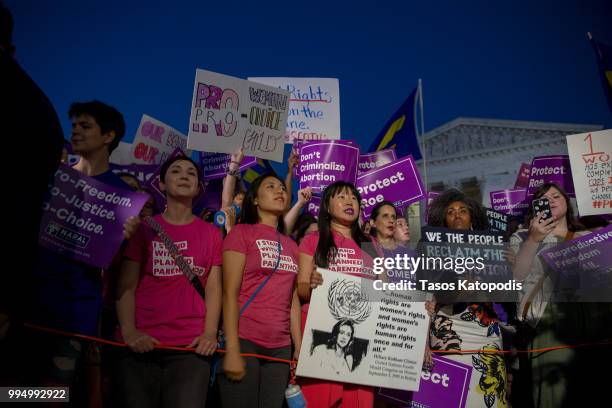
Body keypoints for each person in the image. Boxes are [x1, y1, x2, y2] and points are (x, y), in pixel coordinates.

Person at [23, 101, 139, 392]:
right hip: (28, 304)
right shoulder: (52, 178)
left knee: (51, 396)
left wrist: (125, 238)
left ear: (108, 136)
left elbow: (112, 263)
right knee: (15, 391)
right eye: (73, 125)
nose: (75, 132)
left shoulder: (122, 195)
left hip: (75, 312)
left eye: (85, 126)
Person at [115, 155, 222, 408]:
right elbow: (126, 285)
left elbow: (215, 289)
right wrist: (129, 331)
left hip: (191, 348)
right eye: (175, 171)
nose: (184, 175)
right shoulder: (143, 229)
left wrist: (209, 333)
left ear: (198, 188)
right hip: (141, 345)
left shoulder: (211, 233)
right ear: (161, 184)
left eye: (191, 173)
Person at [509, 182, 612, 407]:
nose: (551, 200)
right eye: (544, 198)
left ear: (567, 201)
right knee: (554, 396)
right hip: (549, 322)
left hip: (593, 321)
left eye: (556, 195)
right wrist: (533, 241)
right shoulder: (521, 237)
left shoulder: (587, 235)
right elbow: (515, 278)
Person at [220, 173, 302, 408]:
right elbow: (230, 293)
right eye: (270, 186)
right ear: (255, 199)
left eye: (282, 188)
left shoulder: (292, 244)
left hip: (280, 347)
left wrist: (297, 345)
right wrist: (232, 348)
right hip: (244, 339)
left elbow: (293, 300)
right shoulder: (241, 233)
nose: (280, 191)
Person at [426, 189, 509, 408]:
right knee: (454, 397)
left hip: (485, 330)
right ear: (443, 217)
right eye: (451, 211)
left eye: (463, 210)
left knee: (488, 394)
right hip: (450, 329)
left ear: (472, 216)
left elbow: (502, 292)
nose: (457, 215)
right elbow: (426, 291)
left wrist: (508, 266)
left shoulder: (490, 245)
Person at [297, 181, 376, 408]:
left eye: (353, 198)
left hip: (361, 339)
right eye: (341, 197)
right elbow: (301, 290)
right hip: (322, 337)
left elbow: (383, 292)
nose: (350, 201)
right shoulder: (313, 240)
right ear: (327, 208)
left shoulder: (371, 244)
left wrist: (417, 306)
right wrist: (309, 283)